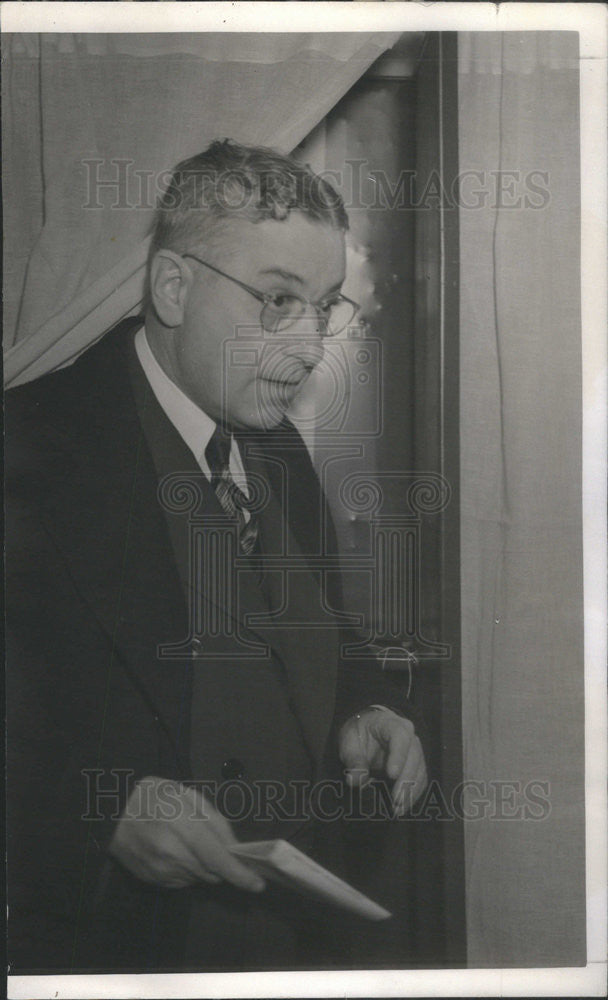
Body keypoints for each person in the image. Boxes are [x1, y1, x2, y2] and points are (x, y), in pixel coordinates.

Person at [6, 139, 427, 973]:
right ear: (173, 287)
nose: (309, 347)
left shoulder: (281, 456)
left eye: (324, 306)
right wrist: (92, 819)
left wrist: (367, 711)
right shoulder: (27, 448)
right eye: (277, 301)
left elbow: (327, 641)